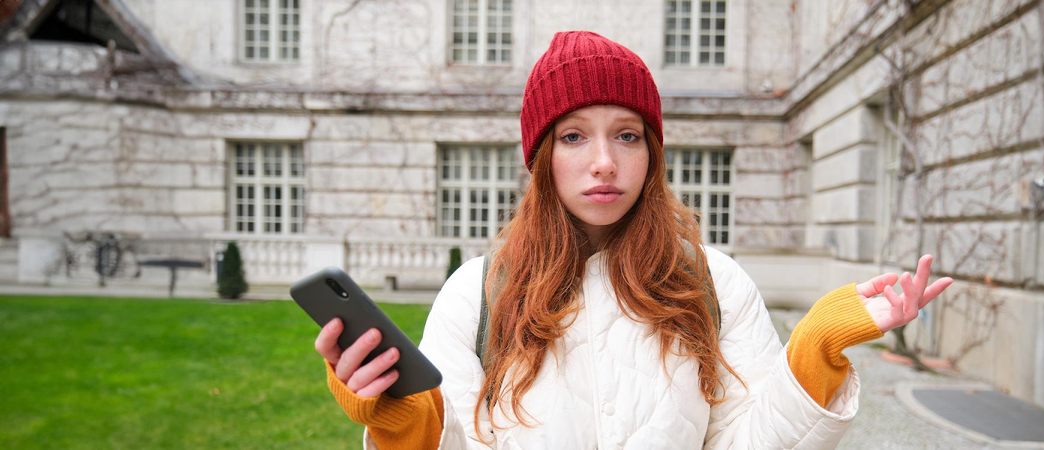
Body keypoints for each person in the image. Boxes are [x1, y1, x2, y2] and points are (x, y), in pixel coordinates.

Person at [313, 31, 952, 450]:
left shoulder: (713, 282)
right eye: (573, 137)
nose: (604, 162)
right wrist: (403, 419)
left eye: (626, 135)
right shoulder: (475, 295)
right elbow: (452, 440)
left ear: (651, 153)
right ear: (541, 158)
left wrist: (814, 351)